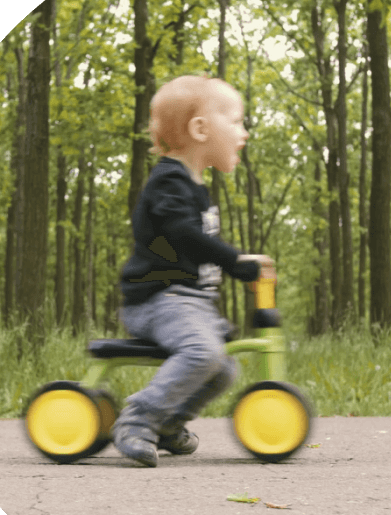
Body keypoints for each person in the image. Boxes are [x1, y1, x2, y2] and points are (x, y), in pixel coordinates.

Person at [113, 75, 275, 467]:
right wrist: (235, 261)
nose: (244, 133)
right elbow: (183, 235)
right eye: (236, 122)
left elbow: (194, 244)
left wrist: (239, 262)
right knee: (204, 352)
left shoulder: (194, 187)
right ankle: (138, 417)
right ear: (200, 129)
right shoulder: (169, 180)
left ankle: (169, 422)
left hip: (185, 303)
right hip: (157, 300)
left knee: (223, 369)